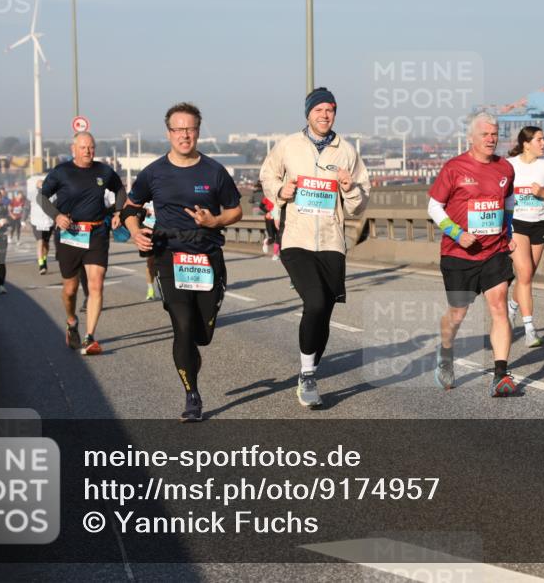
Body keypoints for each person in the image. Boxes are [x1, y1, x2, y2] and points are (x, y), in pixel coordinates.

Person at [123, 102, 243, 422]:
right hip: (169, 256)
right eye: (178, 129)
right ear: (169, 133)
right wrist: (135, 232)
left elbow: (236, 211)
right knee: (183, 326)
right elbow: (129, 208)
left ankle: (192, 354)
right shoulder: (154, 172)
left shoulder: (214, 171)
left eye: (190, 129)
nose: (184, 135)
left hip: (207, 256)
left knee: (201, 335)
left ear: (198, 132)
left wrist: (214, 220)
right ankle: (192, 396)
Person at [260, 87, 371, 409]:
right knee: (316, 300)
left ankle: (309, 369)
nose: (325, 115)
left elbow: (359, 206)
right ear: (308, 113)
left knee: (323, 310)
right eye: (319, 109)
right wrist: (282, 189)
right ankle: (308, 375)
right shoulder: (288, 146)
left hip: (332, 242)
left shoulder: (346, 151)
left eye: (330, 110)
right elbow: (267, 175)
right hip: (296, 238)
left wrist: (350, 189)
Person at [427, 112, 518, 397]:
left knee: (499, 305)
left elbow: (509, 204)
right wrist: (456, 233)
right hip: (458, 254)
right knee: (458, 312)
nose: (491, 139)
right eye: (485, 134)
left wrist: (510, 234)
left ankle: (500, 374)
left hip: (495, 250)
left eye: (495, 134)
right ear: (471, 138)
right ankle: (445, 352)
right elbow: (433, 207)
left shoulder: (505, 169)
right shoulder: (454, 168)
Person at [38, 131, 126, 355]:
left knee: (96, 284)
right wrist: (56, 216)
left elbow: (120, 189)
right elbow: (42, 197)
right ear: (73, 149)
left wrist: (118, 213)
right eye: (84, 147)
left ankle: (89, 338)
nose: (88, 151)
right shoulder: (62, 172)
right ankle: (71, 320)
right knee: (70, 289)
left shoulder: (103, 171)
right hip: (70, 234)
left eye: (92, 147)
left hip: (96, 232)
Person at [505, 126, 544, 347]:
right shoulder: (509, 166)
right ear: (526, 143)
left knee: (526, 277)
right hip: (517, 224)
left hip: (539, 224)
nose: (543, 143)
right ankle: (530, 329)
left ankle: (511, 308)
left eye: (543, 139)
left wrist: (543, 193)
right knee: (525, 273)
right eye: (539, 140)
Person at [27, 174, 55, 275]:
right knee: (40, 241)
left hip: (49, 221)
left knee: (46, 244)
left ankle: (44, 259)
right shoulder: (33, 194)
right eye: (39, 183)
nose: (41, 184)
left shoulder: (52, 194)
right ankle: (41, 265)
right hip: (36, 221)